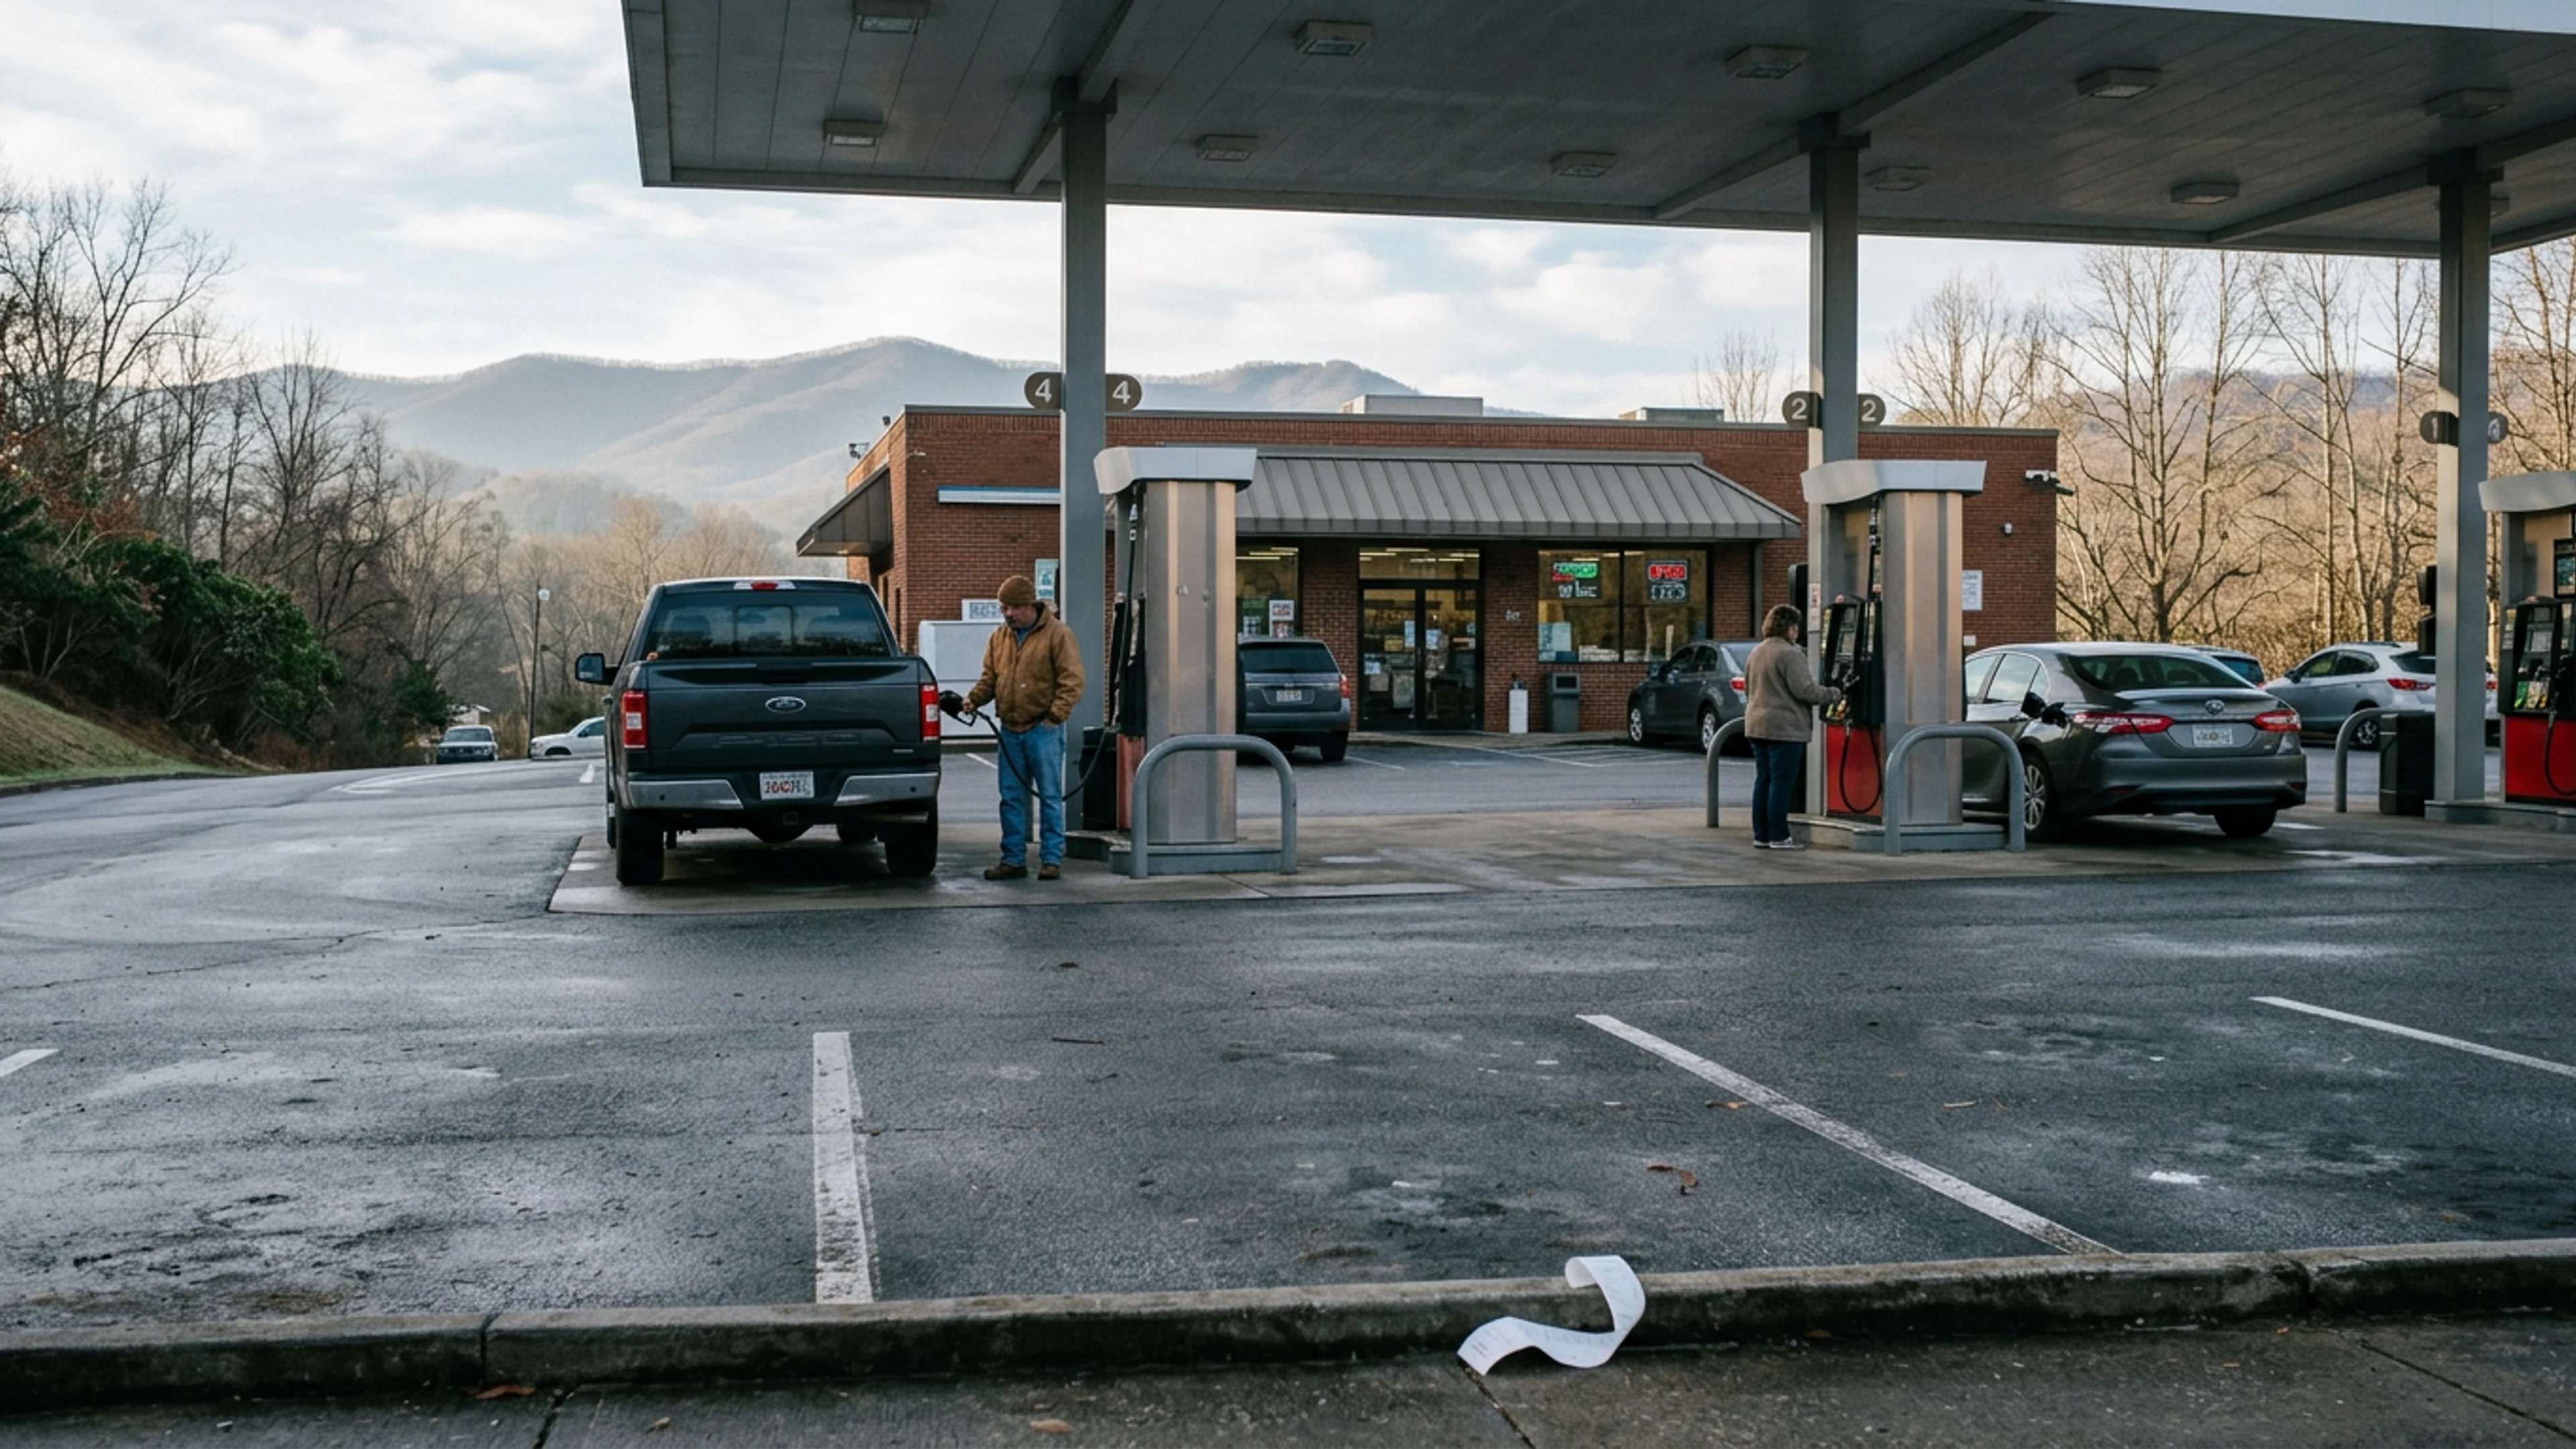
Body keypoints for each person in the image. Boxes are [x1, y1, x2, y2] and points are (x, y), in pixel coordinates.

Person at [946, 576, 1085, 880]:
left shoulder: (1058, 635)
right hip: (1010, 728)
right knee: (1011, 798)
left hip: (1043, 728)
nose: (1008, 614)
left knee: (1049, 797)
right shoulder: (999, 638)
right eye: (1004, 608)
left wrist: (1054, 717)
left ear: (1030, 606)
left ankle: (1051, 860)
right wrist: (974, 699)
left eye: (1013, 608)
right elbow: (990, 678)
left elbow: (1072, 680)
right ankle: (1013, 859)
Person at [1741, 603, 1841, 851]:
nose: (1797, 631)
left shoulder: (1756, 652)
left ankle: (1761, 834)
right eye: (1795, 626)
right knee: (1781, 783)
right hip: (1785, 728)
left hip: (1757, 725)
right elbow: (1804, 690)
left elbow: (1748, 689)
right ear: (1789, 628)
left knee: (1763, 780)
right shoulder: (1790, 654)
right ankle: (1779, 835)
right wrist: (1834, 694)